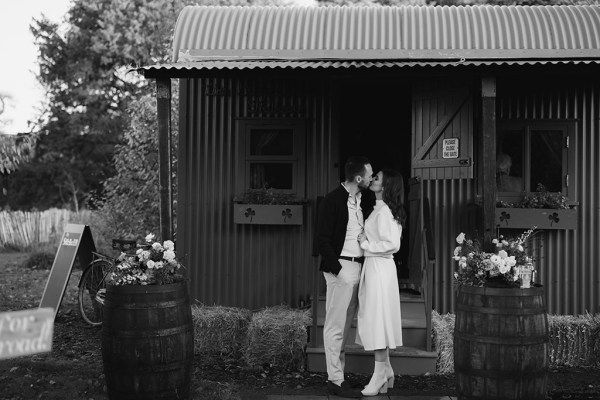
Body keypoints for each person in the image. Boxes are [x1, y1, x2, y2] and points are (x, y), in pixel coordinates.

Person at [316, 156, 376, 398]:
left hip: (359, 268)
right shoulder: (332, 201)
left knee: (347, 325)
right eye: (370, 174)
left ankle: (339, 374)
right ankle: (335, 379)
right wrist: (337, 271)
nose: (372, 178)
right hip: (341, 268)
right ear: (358, 178)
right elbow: (322, 239)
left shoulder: (363, 200)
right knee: (335, 326)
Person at [356, 169, 406, 396]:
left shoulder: (385, 211)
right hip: (376, 267)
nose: (373, 179)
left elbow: (393, 244)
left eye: (377, 177)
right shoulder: (380, 209)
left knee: (377, 320)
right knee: (378, 318)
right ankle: (386, 370)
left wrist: (366, 245)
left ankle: (379, 375)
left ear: (386, 186)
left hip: (379, 266)